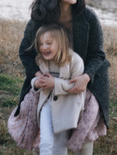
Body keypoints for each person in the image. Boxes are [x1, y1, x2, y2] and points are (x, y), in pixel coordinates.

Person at [11, 0, 109, 154]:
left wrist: (86, 77)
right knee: (39, 115)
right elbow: (25, 51)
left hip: (86, 77)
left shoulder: (88, 17)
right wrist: (40, 76)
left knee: (86, 121)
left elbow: (98, 54)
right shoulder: (40, 17)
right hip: (49, 75)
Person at [31, 23, 86, 155]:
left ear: (60, 43)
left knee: (60, 145)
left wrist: (55, 83)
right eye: (41, 44)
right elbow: (38, 80)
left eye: (48, 43)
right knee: (45, 141)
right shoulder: (41, 60)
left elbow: (77, 87)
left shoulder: (75, 61)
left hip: (66, 107)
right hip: (47, 104)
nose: (44, 47)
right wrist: (36, 82)